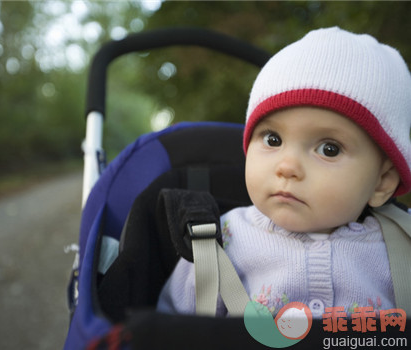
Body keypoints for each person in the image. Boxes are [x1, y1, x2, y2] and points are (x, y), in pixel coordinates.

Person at [156, 27, 411, 318]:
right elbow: (169, 329)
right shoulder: (216, 242)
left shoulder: (401, 247)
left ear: (382, 181)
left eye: (329, 149)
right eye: (273, 140)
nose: (287, 166)